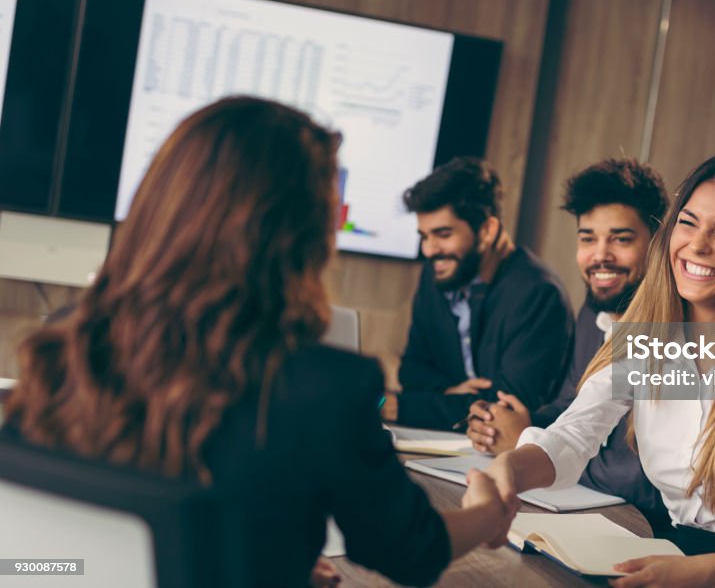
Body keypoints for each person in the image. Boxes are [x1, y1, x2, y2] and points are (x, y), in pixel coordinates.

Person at [1, 97, 513, 588]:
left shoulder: (69, 340)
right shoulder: (323, 387)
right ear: (301, 236)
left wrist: (258, 560)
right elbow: (411, 551)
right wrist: (488, 512)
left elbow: (51, 554)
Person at [486, 152, 715, 588]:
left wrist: (700, 574)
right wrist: (508, 473)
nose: (697, 245)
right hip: (671, 555)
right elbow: (572, 437)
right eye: (689, 222)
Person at [464, 158, 671, 522]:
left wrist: (529, 445)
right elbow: (572, 403)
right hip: (587, 510)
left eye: (621, 239)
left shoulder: (681, 333)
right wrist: (521, 422)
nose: (600, 256)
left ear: (657, 243)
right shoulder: (594, 313)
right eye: (588, 238)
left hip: (647, 526)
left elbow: (646, 480)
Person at [385, 157, 574, 430]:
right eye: (424, 236)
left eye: (443, 234)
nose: (429, 250)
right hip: (448, 442)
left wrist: (402, 407)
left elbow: (507, 407)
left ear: (487, 230)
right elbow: (412, 371)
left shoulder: (539, 293)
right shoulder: (436, 275)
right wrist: (454, 393)